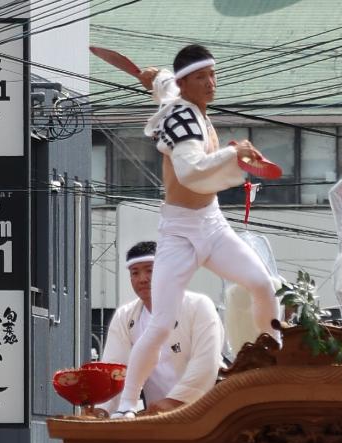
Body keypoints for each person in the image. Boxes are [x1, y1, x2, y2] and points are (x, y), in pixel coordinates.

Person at [114, 44, 279, 420]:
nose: (210, 83)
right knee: (160, 324)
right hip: (179, 232)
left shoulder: (179, 93)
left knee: (261, 283)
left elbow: (165, 84)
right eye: (202, 77)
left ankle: (276, 354)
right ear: (187, 83)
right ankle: (126, 404)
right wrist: (234, 153)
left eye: (213, 75)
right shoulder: (181, 120)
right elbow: (190, 172)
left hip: (213, 224)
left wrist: (153, 78)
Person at [99, 239, 223, 421]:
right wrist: (102, 410)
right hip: (157, 418)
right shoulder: (125, 317)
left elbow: (206, 363)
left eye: (150, 270)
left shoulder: (198, 306)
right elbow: (114, 370)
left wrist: (174, 401)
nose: (142, 279)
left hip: (207, 414)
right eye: (135, 272)